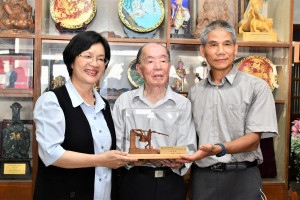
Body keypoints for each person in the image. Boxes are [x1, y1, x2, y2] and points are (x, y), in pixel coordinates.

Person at [178, 20, 278, 200]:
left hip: (243, 178)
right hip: (203, 179)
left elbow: (253, 140)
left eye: (227, 44)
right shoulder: (195, 92)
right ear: (203, 51)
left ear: (235, 48)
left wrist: (219, 148)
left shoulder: (257, 87)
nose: (221, 51)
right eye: (213, 45)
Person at [33, 31, 137, 200]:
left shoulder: (104, 105)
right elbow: (51, 154)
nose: (94, 63)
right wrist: (101, 160)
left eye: (101, 58)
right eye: (88, 56)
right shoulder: (52, 101)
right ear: (72, 60)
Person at [112, 43, 197, 200]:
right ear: (139, 69)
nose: (158, 67)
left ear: (169, 67)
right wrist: (145, 157)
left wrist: (181, 161)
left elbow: (188, 145)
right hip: (134, 181)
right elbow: (118, 143)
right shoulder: (125, 101)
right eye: (150, 61)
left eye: (163, 61)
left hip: (171, 182)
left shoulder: (182, 103)